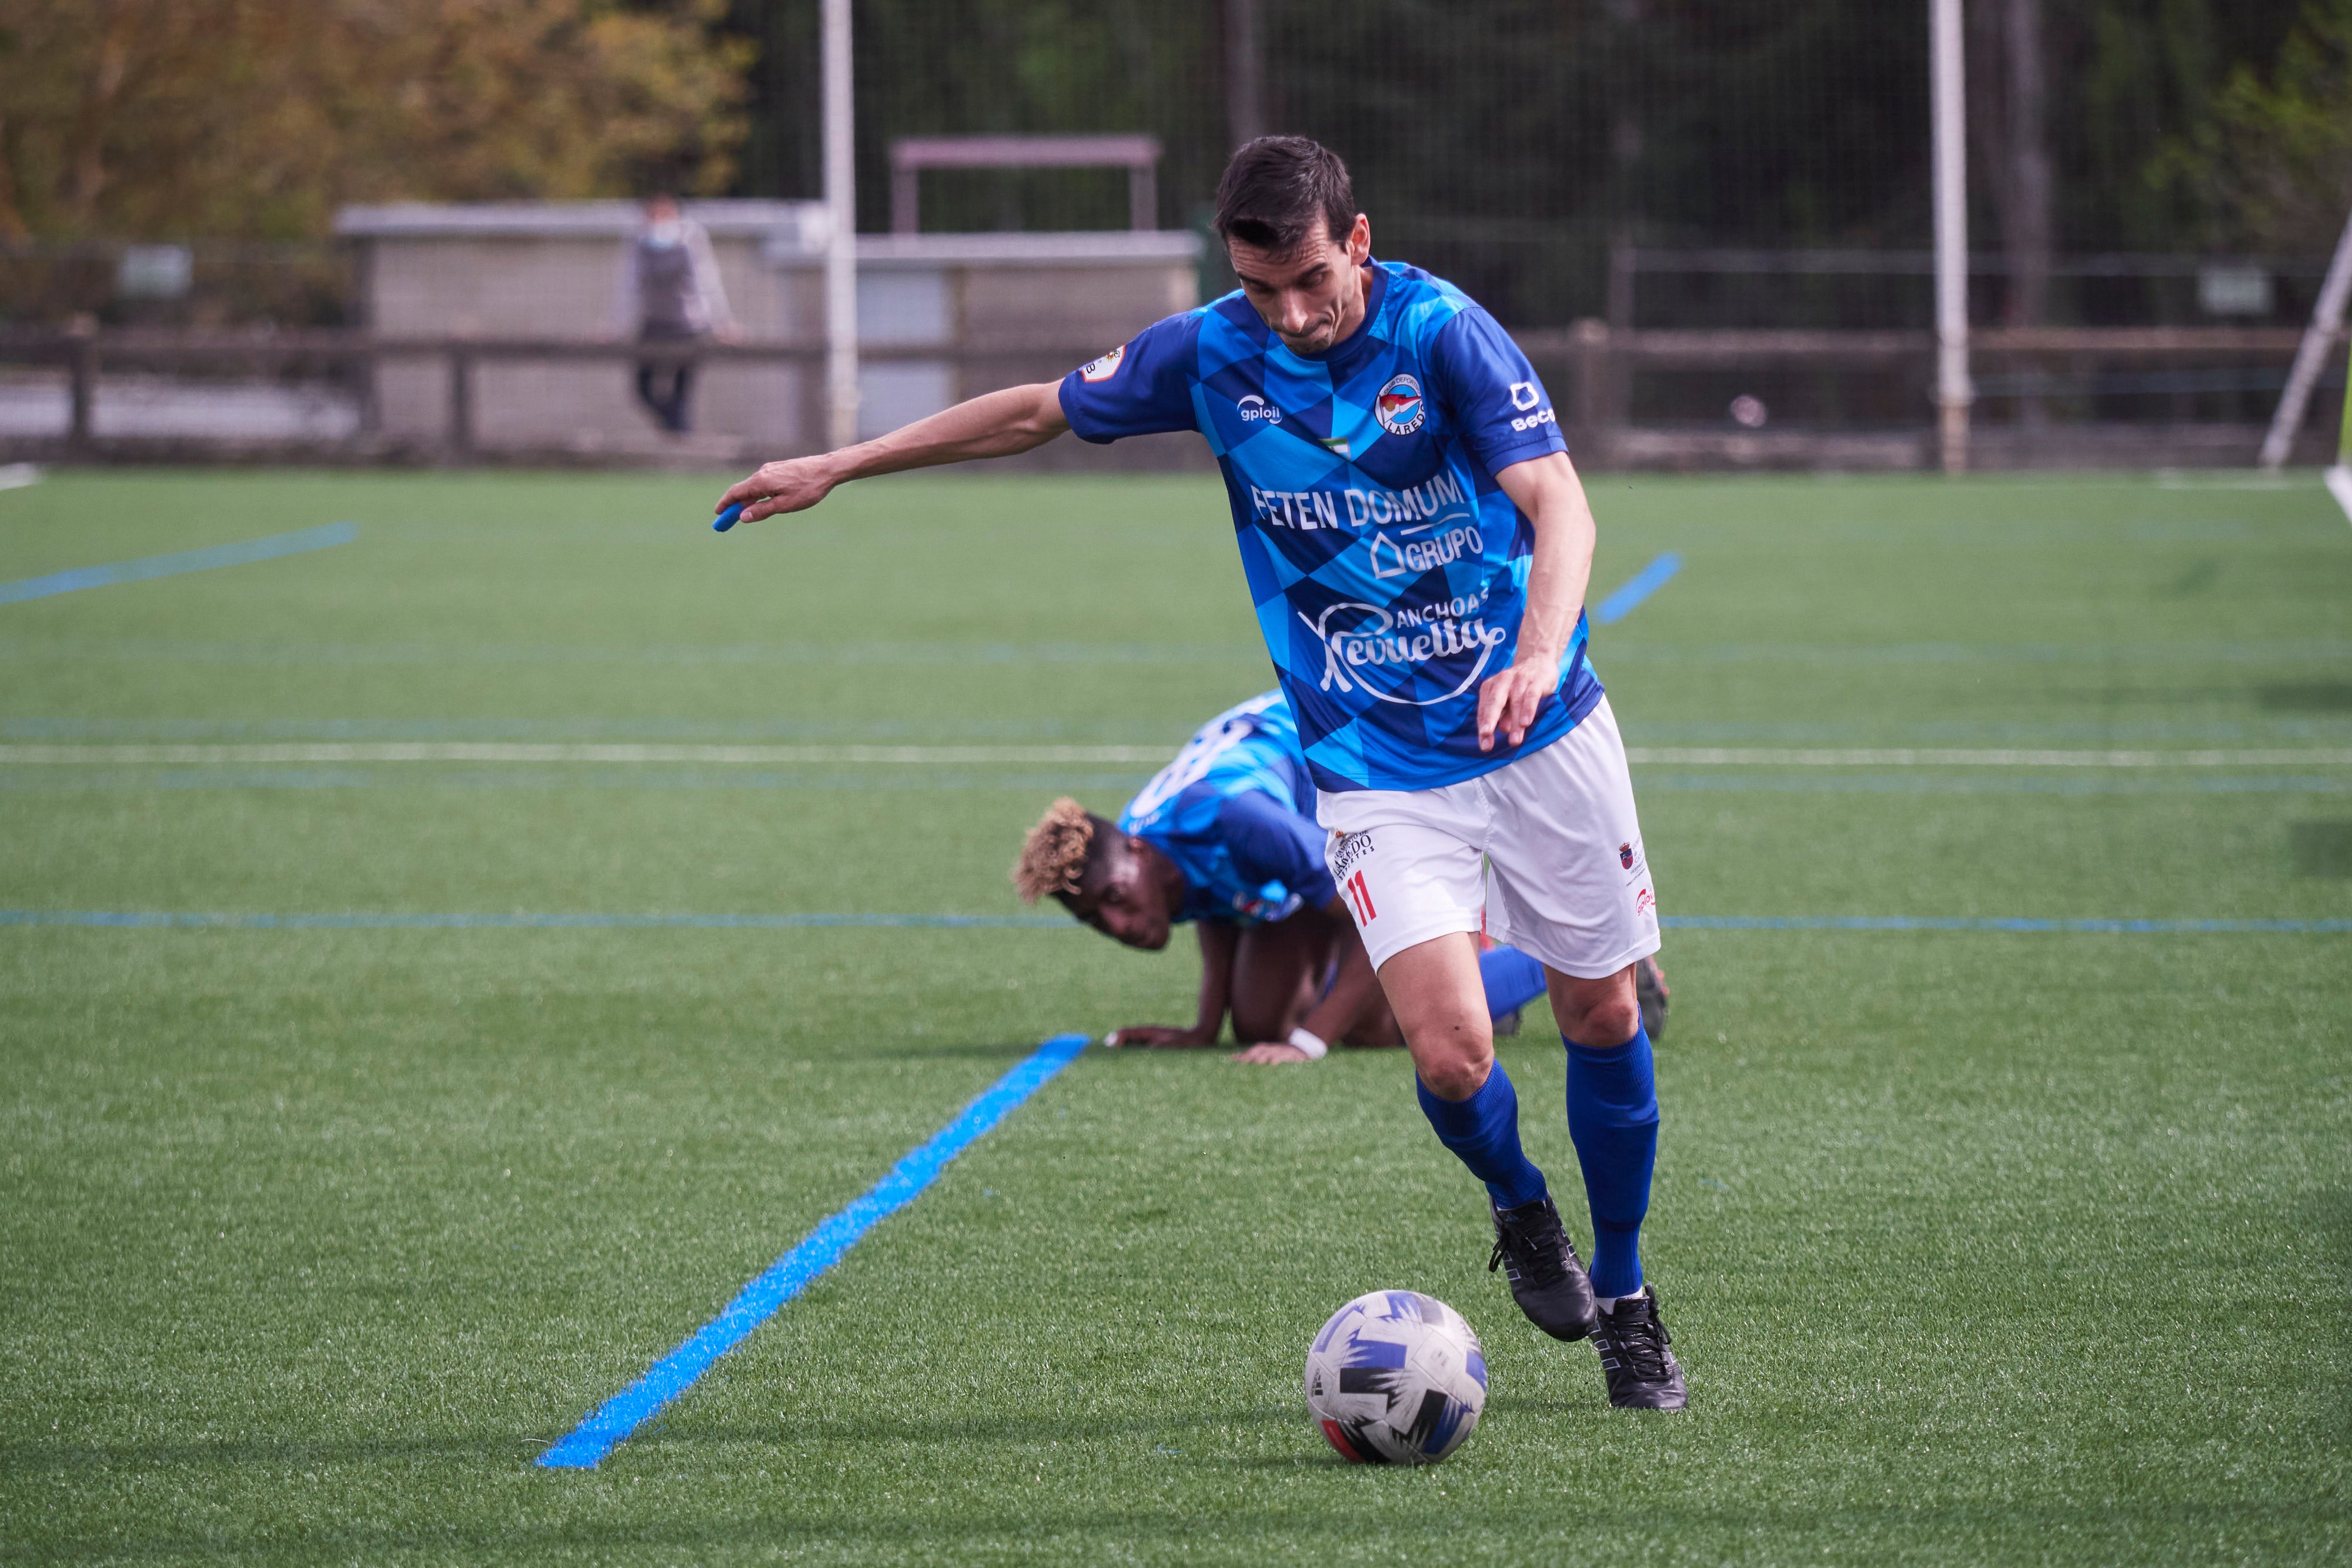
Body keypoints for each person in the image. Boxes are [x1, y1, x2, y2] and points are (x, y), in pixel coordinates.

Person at [716, 136, 1686, 1410]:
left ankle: (1623, 1296)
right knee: (1449, 1055)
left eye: (1309, 283)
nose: (1287, 314)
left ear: (1358, 240)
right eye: (1258, 286)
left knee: (1602, 1015)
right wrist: (839, 464)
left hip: (1537, 727)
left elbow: (1559, 503)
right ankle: (1521, 1209)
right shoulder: (1212, 350)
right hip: (1369, 755)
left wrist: (1537, 650)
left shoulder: (1441, 331)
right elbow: (1031, 410)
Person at [1008, 689, 1564, 1062]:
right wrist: (1206, 1026)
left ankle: (1572, 957)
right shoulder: (1149, 851)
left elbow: (1377, 914)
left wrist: (1310, 1042)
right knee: (1257, 1023)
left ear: (1138, 854)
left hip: (1383, 761)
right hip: (1305, 830)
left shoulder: (1238, 818)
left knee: (1379, 1024)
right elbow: (1208, 898)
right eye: (1095, 920)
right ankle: (1466, 960)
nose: (1116, 924)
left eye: (1114, 899)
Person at [612, 194, 738, 434]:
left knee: (682, 392)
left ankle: (680, 440)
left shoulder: (691, 240)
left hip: (687, 327)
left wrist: (722, 323)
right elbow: (628, 287)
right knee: (643, 389)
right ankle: (676, 430)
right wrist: (616, 325)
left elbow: (707, 284)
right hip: (653, 324)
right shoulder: (639, 241)